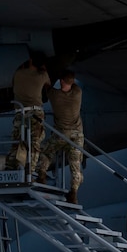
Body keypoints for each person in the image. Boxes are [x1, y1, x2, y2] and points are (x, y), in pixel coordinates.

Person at [43, 66, 85, 202]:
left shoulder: (55, 96)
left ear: (61, 81)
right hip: (77, 135)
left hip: (61, 134)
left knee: (47, 152)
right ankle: (73, 192)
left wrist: (45, 70)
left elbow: (47, 86)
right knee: (75, 165)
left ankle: (41, 174)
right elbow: (72, 86)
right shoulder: (78, 92)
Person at [6, 54, 48, 180]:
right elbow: (49, 84)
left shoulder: (17, 74)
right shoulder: (42, 76)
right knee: (34, 143)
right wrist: (44, 70)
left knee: (17, 142)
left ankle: (10, 167)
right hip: (35, 113)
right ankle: (30, 170)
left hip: (20, 112)